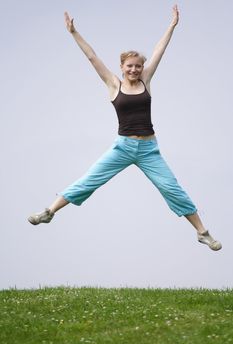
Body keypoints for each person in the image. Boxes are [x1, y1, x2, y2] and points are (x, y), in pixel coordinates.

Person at [28, 6, 222, 251]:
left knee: (171, 187)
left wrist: (172, 26)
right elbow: (92, 57)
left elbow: (159, 50)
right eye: (129, 66)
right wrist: (74, 32)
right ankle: (49, 212)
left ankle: (202, 232)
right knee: (89, 180)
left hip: (149, 149)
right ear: (122, 67)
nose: (134, 70)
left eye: (138, 66)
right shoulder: (113, 85)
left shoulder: (146, 80)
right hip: (122, 147)